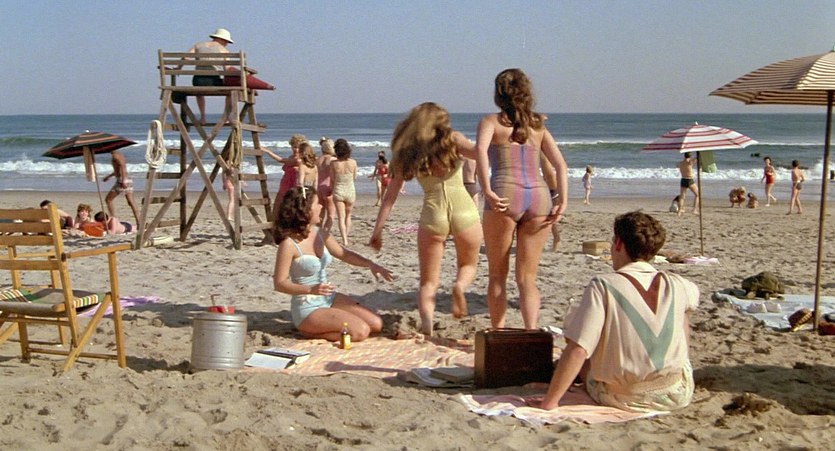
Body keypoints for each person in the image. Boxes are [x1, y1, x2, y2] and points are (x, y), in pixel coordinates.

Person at [536, 211, 699, 413]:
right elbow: (690, 305)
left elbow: (579, 350)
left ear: (619, 244)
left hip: (624, 397)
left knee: (586, 354)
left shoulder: (604, 285)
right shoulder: (679, 283)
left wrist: (550, 402)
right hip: (676, 392)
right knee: (682, 311)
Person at [369, 102, 483, 335]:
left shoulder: (410, 151)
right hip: (464, 208)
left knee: (428, 282)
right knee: (468, 265)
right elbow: (482, 152)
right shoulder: (453, 139)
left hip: (433, 213)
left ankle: (428, 327)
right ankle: (459, 286)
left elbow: (390, 197)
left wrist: (378, 230)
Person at [475, 68, 568, 330]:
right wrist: (562, 201)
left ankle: (499, 332)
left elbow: (481, 153)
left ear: (498, 93)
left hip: (505, 193)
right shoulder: (537, 126)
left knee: (497, 275)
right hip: (539, 197)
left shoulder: (490, 122)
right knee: (527, 278)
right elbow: (560, 165)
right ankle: (530, 331)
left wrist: (486, 189)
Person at [273, 186, 392, 342]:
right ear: (305, 209)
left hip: (328, 298)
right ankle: (308, 332)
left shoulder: (320, 233)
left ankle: (328, 322)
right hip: (307, 306)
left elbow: (344, 254)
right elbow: (280, 283)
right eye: (317, 204)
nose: (321, 206)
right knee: (360, 332)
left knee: (376, 324)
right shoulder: (288, 244)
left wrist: (370, 264)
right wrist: (310, 289)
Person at [183, 28, 234, 125]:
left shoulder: (198, 45)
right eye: (227, 41)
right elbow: (227, 69)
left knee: (199, 92)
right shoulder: (224, 50)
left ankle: (203, 117)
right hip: (213, 81)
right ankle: (226, 117)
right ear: (222, 39)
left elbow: (185, 58)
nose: (227, 44)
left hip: (197, 81)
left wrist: (177, 68)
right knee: (231, 93)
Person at [330, 139, 357, 246]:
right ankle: (347, 235)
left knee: (341, 217)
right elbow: (354, 177)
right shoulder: (353, 162)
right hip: (350, 189)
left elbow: (332, 179)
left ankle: (344, 239)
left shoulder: (333, 163)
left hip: (338, 189)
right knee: (348, 215)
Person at [102, 150, 140, 227]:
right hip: (128, 179)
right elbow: (118, 169)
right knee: (131, 202)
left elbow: (122, 166)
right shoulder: (119, 155)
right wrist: (109, 176)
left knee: (108, 200)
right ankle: (139, 221)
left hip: (122, 180)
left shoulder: (115, 156)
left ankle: (113, 219)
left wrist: (123, 180)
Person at [316, 137, 337, 232]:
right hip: (328, 187)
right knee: (331, 215)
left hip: (318, 187)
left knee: (320, 214)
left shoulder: (318, 159)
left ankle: (318, 232)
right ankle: (325, 233)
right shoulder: (333, 160)